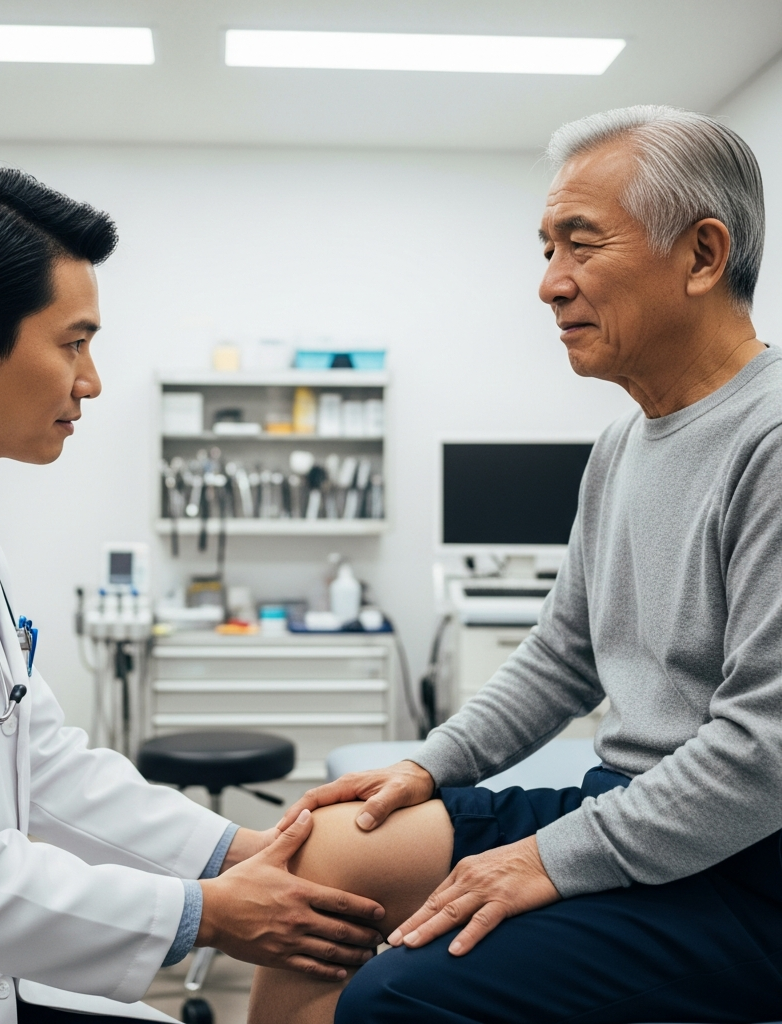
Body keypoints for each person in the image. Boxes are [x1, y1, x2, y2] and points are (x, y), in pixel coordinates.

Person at [0, 161, 387, 1023]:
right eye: (73, 343)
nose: (90, 380)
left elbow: (46, 769)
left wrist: (237, 850)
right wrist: (206, 916)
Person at [251, 105, 782, 1024]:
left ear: (701, 256)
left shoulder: (769, 442)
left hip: (744, 868)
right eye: (545, 249)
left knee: (395, 995)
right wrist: (427, 766)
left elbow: (764, 757)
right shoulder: (623, 446)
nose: (549, 284)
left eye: (580, 245)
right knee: (321, 856)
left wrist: (545, 859)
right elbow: (561, 656)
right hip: (628, 806)